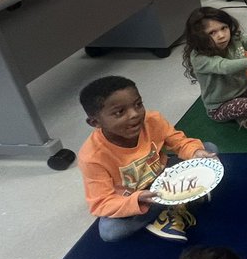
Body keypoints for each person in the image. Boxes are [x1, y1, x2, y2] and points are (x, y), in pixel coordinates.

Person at [78, 75, 217, 243]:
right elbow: (101, 203)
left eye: (138, 104)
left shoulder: (152, 120)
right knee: (110, 231)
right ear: (95, 122)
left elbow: (180, 142)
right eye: (119, 112)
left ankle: (174, 203)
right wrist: (137, 199)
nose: (135, 114)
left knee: (208, 149)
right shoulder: (92, 156)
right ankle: (174, 204)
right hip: (137, 196)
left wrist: (194, 152)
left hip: (163, 175)